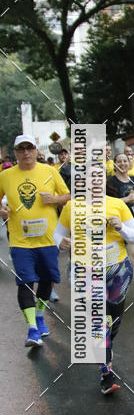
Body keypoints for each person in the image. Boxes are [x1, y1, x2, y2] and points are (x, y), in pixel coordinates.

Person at [54, 182, 134, 394]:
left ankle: (104, 345)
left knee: (115, 318)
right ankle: (106, 373)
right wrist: (61, 242)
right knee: (98, 320)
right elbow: (57, 234)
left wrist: (121, 227)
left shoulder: (117, 205)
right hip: (85, 271)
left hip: (117, 269)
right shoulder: (71, 207)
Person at [0, 134, 70, 346]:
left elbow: (67, 195)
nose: (26, 152)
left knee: (47, 281)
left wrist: (55, 199)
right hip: (20, 241)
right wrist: (2, 211)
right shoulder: (5, 175)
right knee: (25, 282)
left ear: (35, 150)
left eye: (29, 148)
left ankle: (40, 317)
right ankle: (32, 329)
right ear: (16, 153)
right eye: (21, 149)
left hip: (48, 239)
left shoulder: (50, 171)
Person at [108, 153, 134, 305]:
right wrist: (126, 200)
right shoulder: (109, 182)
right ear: (115, 164)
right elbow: (106, 203)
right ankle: (115, 291)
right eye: (119, 161)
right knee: (117, 261)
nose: (123, 163)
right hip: (115, 226)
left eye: (125, 161)